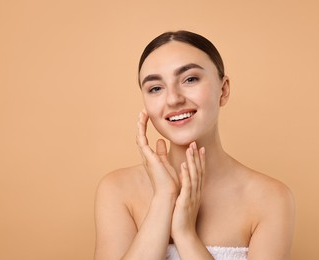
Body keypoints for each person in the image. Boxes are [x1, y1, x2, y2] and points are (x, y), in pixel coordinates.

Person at [94, 30, 295, 260]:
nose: (173, 99)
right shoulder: (117, 190)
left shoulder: (270, 198)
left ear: (224, 89)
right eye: (156, 88)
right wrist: (164, 199)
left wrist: (185, 234)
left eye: (190, 79)